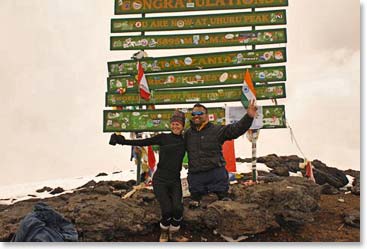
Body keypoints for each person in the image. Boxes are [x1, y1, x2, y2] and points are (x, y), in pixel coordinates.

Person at [109, 110, 189, 242]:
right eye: (173, 124)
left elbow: (200, 144)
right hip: (160, 180)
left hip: (175, 180)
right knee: (167, 210)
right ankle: (164, 232)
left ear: (183, 125)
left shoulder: (185, 140)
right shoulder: (163, 137)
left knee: (178, 209)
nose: (175, 126)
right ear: (170, 125)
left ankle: (174, 233)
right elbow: (143, 142)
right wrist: (121, 141)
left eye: (178, 124)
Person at [184, 100, 257, 208]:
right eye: (194, 114)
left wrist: (249, 117)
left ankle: (223, 196)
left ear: (207, 116)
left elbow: (235, 129)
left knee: (225, 205)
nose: (196, 116)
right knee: (194, 206)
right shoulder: (187, 134)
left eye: (200, 113)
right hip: (196, 176)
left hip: (216, 174)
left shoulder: (216, 130)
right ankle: (196, 200)